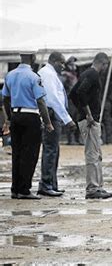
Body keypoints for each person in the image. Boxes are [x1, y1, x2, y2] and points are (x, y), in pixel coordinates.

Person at [2, 52, 54, 199]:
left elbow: (5, 98)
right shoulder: (34, 77)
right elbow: (41, 101)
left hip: (16, 116)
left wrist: (9, 118)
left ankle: (15, 189)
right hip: (31, 116)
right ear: (32, 58)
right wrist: (48, 122)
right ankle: (24, 190)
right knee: (30, 154)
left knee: (17, 153)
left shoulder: (10, 75)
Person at [69, 52, 112, 199]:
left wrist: (81, 110)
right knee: (93, 154)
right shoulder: (93, 75)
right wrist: (87, 114)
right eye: (106, 65)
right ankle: (93, 188)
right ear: (103, 63)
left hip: (88, 119)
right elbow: (80, 92)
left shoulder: (86, 73)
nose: (106, 68)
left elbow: (73, 93)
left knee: (96, 153)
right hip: (90, 121)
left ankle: (97, 187)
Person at [37, 52, 77, 197]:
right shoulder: (47, 74)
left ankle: (51, 184)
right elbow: (52, 99)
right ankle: (46, 184)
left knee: (54, 150)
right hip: (51, 115)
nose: (63, 66)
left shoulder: (50, 73)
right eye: (61, 63)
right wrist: (67, 119)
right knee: (50, 150)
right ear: (53, 61)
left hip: (54, 115)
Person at [61, 56, 81, 145]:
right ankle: (71, 139)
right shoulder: (65, 75)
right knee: (71, 119)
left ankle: (77, 138)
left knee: (77, 119)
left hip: (76, 100)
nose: (74, 66)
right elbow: (62, 88)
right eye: (71, 64)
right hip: (70, 100)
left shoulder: (74, 75)